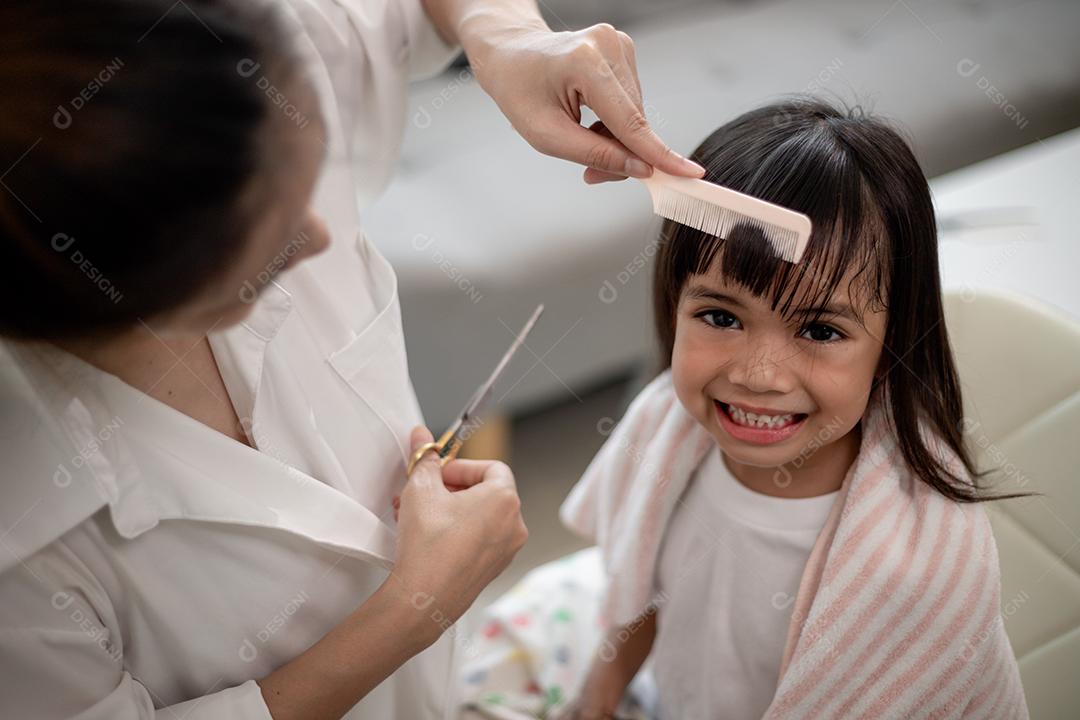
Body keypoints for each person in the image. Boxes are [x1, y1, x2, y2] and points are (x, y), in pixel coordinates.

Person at [0, 0, 704, 718]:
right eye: (267, 239)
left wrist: (509, 38)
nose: (319, 236)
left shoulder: (235, 45)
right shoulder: (22, 544)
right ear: (126, 283)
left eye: (309, 181)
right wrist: (414, 610)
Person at [558, 98, 1030, 719]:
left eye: (821, 331)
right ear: (674, 305)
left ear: (894, 345)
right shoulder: (661, 434)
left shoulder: (915, 565)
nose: (758, 376)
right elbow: (638, 598)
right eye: (721, 317)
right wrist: (593, 704)